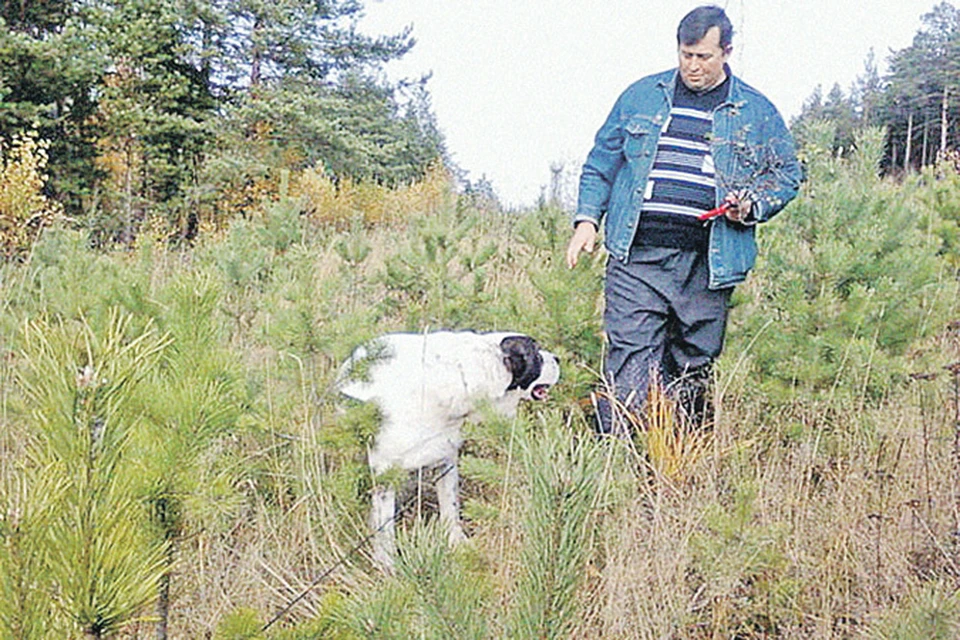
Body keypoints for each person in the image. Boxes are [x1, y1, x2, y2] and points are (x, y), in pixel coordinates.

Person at [565, 5, 802, 435]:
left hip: (708, 262)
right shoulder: (640, 96)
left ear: (726, 52)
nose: (693, 66)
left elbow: (786, 175)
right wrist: (587, 221)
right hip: (636, 256)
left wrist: (749, 205)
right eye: (686, 55)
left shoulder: (755, 111)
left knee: (692, 366)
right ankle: (616, 475)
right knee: (629, 364)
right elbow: (601, 163)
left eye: (704, 57)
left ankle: (679, 472)